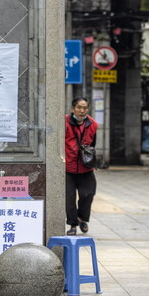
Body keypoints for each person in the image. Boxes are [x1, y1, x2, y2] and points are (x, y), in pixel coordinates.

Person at [65, 97, 98, 236]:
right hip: (68, 167)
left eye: (85, 108)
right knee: (69, 197)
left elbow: (92, 144)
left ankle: (82, 218)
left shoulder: (93, 124)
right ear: (73, 109)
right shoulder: (64, 122)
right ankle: (73, 224)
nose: (82, 111)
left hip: (85, 167)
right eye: (79, 107)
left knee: (88, 193)